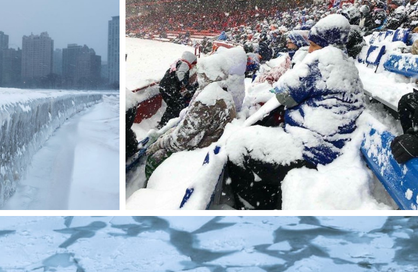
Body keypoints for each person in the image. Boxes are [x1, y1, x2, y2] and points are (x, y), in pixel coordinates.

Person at [228, 14, 365, 209]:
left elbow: (284, 94)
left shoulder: (323, 59)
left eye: (313, 45)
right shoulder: (347, 64)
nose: (309, 50)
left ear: (325, 44)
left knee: (237, 146)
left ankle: (254, 206)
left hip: (312, 151)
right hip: (331, 147)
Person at [145, 47, 245, 181]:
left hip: (200, 154)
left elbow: (181, 140)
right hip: (211, 146)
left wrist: (160, 143)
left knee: (154, 160)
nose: (197, 77)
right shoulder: (222, 91)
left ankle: (151, 189)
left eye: (199, 73)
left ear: (206, 74)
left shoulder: (208, 100)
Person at [158, 51, 198, 127]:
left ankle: (164, 122)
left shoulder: (178, 63)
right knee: (178, 105)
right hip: (169, 88)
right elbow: (180, 75)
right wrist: (188, 86)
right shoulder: (184, 64)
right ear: (191, 61)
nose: (193, 66)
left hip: (165, 87)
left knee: (173, 105)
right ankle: (168, 123)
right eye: (194, 64)